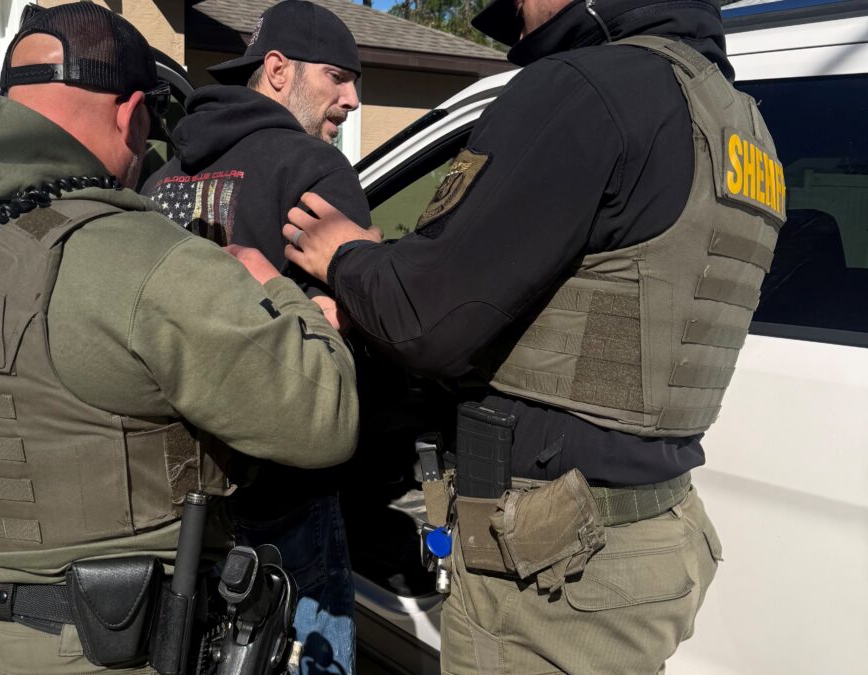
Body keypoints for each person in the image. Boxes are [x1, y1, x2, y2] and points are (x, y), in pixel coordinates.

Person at [273, 0, 786, 671]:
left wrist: (345, 257)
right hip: (652, 538)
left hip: (552, 567)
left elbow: (423, 320)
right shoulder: (740, 125)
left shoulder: (588, 89)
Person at [0, 3, 359, 672]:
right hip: (110, 643)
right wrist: (281, 292)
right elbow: (323, 421)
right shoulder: (139, 257)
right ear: (128, 113)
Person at [140, 3, 369, 672]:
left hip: (171, 497)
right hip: (281, 505)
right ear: (277, 70)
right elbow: (340, 333)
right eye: (339, 77)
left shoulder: (159, 181)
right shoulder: (313, 171)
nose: (353, 98)